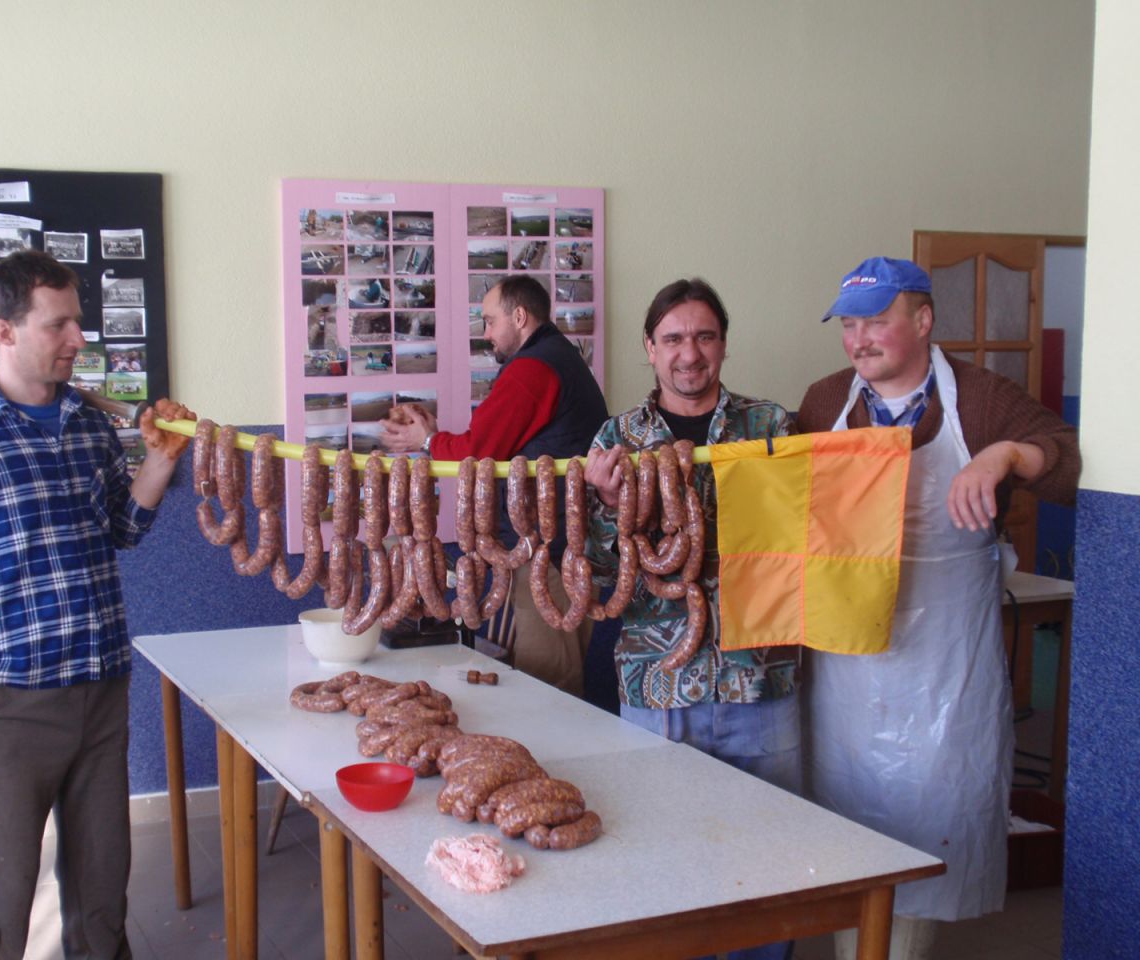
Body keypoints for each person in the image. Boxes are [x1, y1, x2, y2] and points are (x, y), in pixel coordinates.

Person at [0, 249, 194, 959]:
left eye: (78, 322)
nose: (78, 339)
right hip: (8, 702)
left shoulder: (89, 426)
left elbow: (122, 528)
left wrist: (162, 460)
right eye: (58, 326)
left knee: (102, 893)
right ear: (4, 331)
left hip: (101, 687)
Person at [796, 257, 1080, 960]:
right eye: (849, 324)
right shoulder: (826, 399)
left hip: (945, 663)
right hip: (847, 661)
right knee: (847, 812)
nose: (859, 339)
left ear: (923, 321)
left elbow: (1071, 461)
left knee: (931, 810)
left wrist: (1006, 454)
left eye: (876, 321)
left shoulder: (980, 399)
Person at [582, 278, 798, 960]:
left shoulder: (773, 428)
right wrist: (608, 507)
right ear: (650, 348)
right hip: (656, 686)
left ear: (724, 345)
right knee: (664, 854)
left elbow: (804, 542)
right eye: (673, 338)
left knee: (767, 858)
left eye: (704, 336)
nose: (689, 353)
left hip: (758, 678)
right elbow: (597, 574)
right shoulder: (616, 439)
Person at [380, 274, 607, 695]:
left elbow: (479, 451)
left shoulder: (533, 368)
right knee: (537, 683)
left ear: (519, 317)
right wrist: (435, 436)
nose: (485, 334)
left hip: (552, 558)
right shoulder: (555, 357)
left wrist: (426, 441)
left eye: (489, 321)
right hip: (552, 551)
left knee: (548, 689)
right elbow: (492, 440)